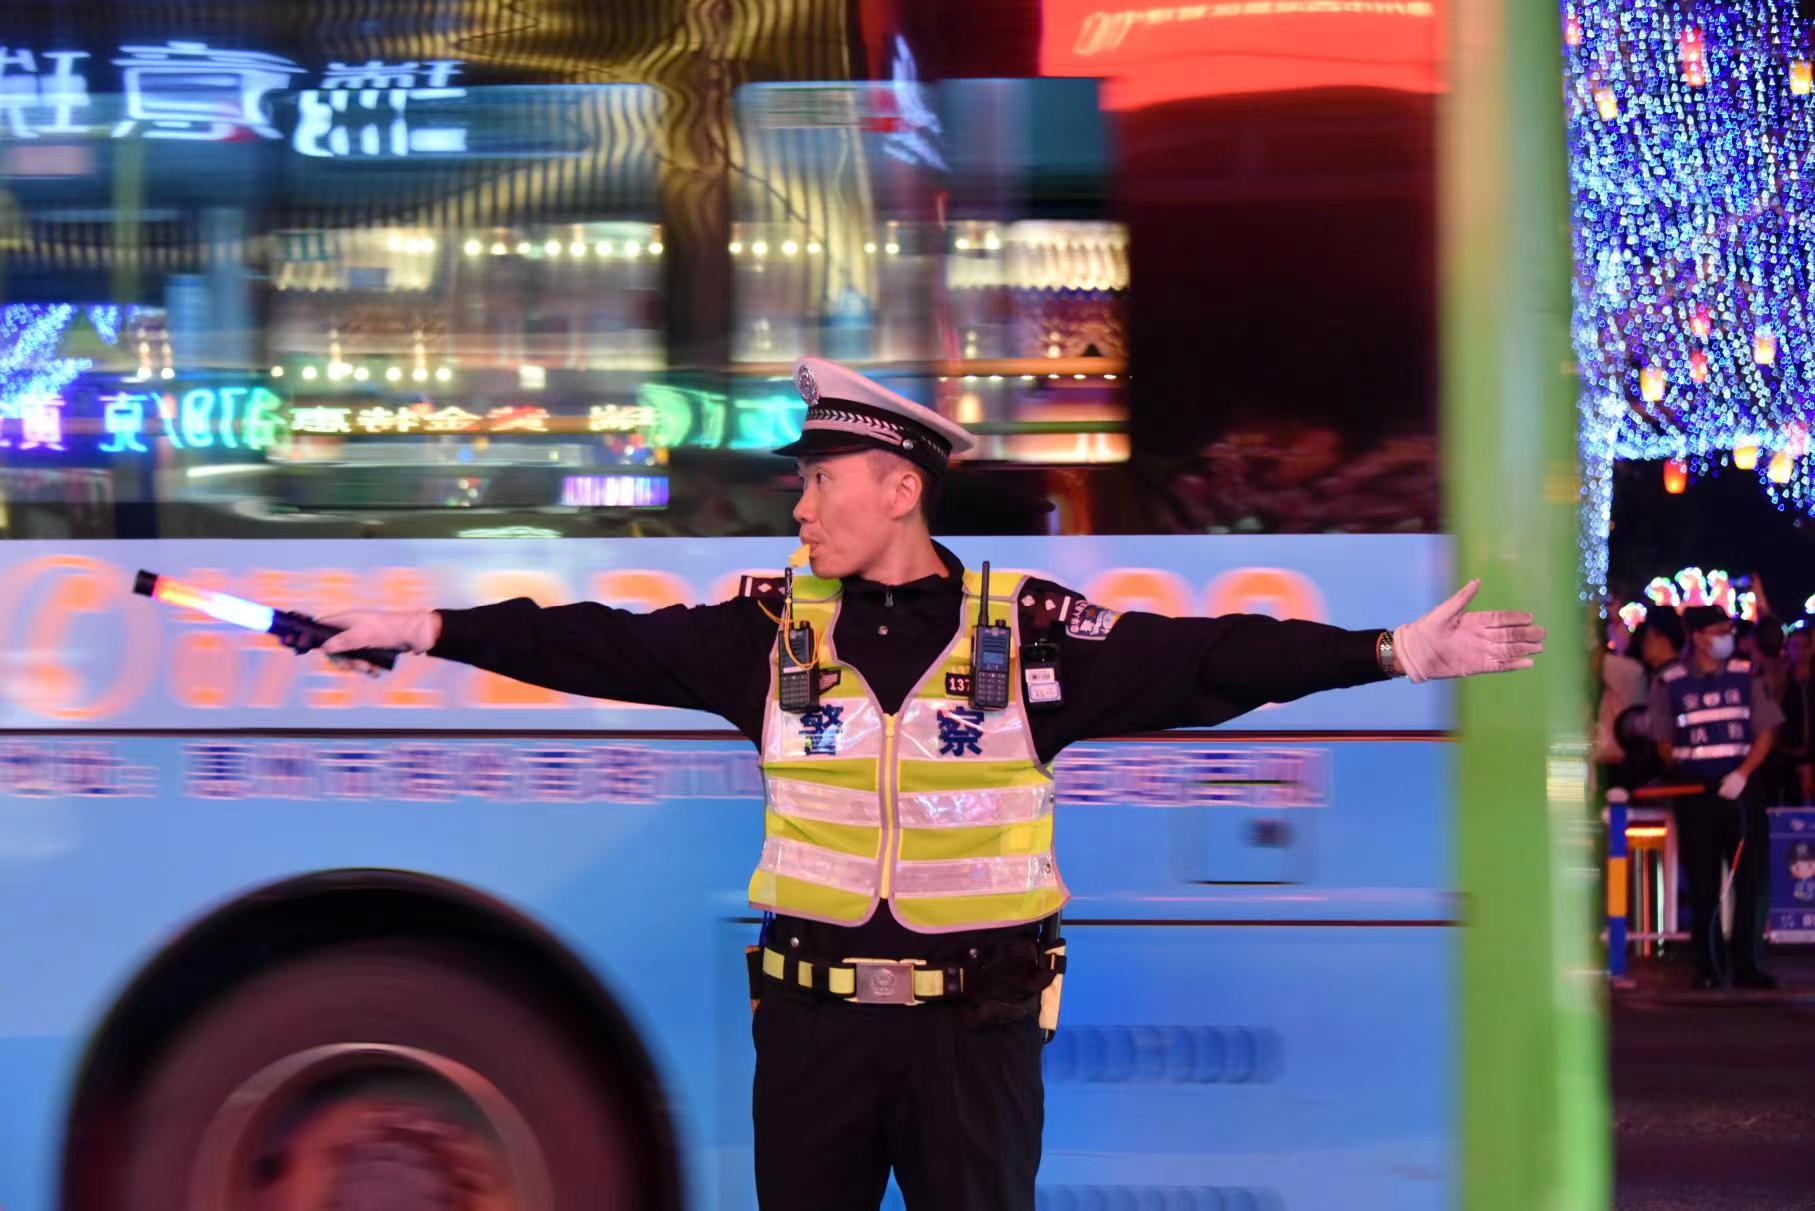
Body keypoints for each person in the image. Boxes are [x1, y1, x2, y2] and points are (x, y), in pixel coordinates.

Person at [318, 357, 1547, 1210]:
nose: (801, 507)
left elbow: (1210, 659)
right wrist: (423, 626)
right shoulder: (765, 633)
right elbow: (589, 640)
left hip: (975, 1036)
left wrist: (1391, 651)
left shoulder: (1032, 635)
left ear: (900, 488)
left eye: (821, 481)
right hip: (813, 1032)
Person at [1648, 605, 1782, 990]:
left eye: (1728, 631)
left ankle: (1748, 965)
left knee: (1751, 880)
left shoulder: (1745, 674)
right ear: (1698, 637)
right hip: (1696, 795)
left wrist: (1742, 773)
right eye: (1719, 631)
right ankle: (1708, 966)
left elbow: (1767, 731)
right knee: (1703, 883)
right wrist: (1674, 758)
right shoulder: (1670, 681)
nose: (1727, 638)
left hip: (1741, 792)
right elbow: (1662, 739)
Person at [1596, 610, 1683, 790]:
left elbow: (1660, 730)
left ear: (1659, 637)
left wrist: (1631, 724)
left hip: (1656, 773)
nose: (1644, 643)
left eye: (1647, 636)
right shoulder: (1658, 675)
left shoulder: (1667, 678)